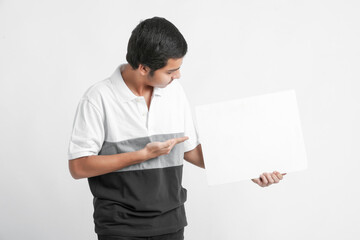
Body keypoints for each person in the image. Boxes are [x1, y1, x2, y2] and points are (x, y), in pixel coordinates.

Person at [67, 16, 286, 240]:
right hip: (120, 227)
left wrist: (247, 168)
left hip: (171, 223)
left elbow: (190, 150)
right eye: (171, 71)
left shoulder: (174, 92)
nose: (178, 76)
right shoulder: (98, 99)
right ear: (143, 68)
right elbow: (78, 167)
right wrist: (141, 155)